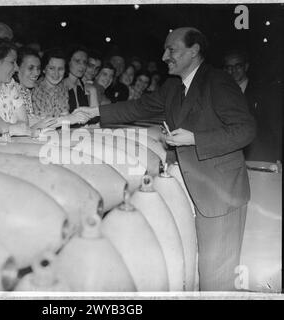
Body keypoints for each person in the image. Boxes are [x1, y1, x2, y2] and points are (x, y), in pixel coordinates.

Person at [76, 27, 256, 291]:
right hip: (196, 188)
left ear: (194, 51)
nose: (163, 56)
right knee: (198, 274)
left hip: (220, 194)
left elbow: (245, 129)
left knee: (215, 280)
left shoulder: (217, 81)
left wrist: (194, 138)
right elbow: (137, 107)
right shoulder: (173, 86)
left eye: (171, 49)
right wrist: (88, 113)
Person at [223, 49, 278, 162]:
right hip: (230, 158)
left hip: (259, 157)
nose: (233, 70)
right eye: (229, 67)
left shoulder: (263, 92)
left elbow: (275, 126)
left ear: (246, 67)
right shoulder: (221, 93)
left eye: (238, 66)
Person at [31, 48, 88, 126]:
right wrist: (71, 119)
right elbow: (43, 124)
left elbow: (65, 116)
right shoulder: (36, 89)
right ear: (44, 69)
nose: (56, 74)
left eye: (60, 69)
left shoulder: (62, 88)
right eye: (51, 68)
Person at [63, 46, 99, 113]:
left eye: (84, 62)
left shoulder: (85, 86)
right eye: (77, 61)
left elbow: (94, 116)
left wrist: (93, 91)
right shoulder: (59, 86)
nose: (82, 65)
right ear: (68, 62)